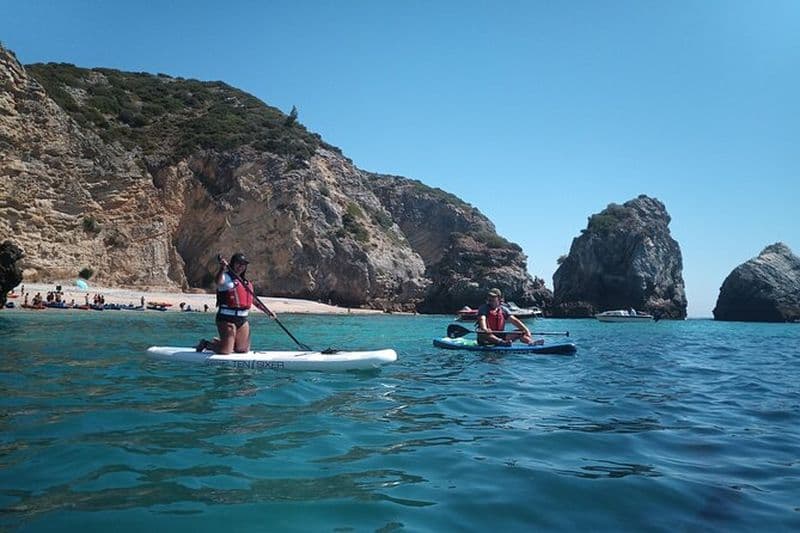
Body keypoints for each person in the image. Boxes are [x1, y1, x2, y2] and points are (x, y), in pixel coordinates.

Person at [195, 253, 275, 354]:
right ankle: (207, 344)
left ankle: (224, 342)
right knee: (226, 351)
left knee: (242, 350)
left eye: (243, 264)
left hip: (242, 319)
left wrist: (268, 312)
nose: (240, 266)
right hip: (226, 319)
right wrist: (222, 269)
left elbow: (254, 301)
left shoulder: (247, 283)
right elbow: (218, 281)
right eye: (238, 264)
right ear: (232, 264)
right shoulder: (225, 278)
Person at [476, 288, 541, 346]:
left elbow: (515, 321)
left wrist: (526, 330)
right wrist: (485, 329)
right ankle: (502, 343)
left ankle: (531, 343)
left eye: (493, 297)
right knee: (482, 332)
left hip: (500, 335)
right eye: (489, 297)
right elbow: (482, 319)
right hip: (487, 338)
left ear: (499, 299)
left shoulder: (503, 310)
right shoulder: (483, 308)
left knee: (521, 332)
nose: (490, 299)